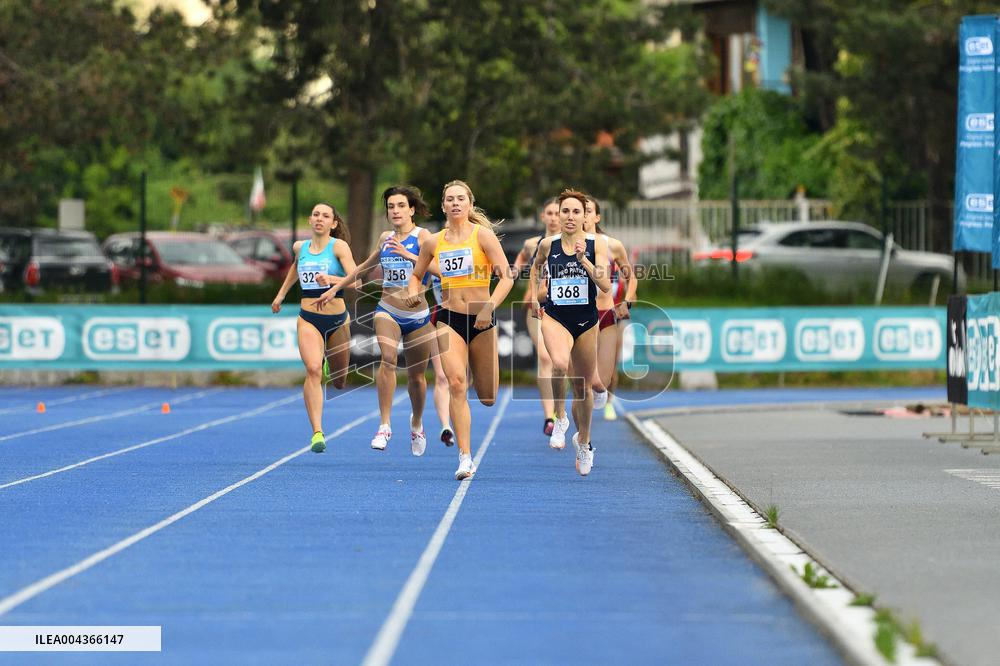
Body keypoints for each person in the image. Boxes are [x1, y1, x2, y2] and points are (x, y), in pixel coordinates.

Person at [406, 180, 515, 480]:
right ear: (443, 206)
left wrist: (489, 307)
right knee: (455, 383)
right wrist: (415, 291)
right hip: (449, 317)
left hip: (482, 319)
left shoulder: (483, 236)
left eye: (460, 199)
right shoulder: (433, 242)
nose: (455, 203)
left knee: (488, 396)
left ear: (469, 203)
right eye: (450, 199)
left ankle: (468, 445)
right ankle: (465, 457)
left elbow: (506, 277)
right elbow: (416, 275)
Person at [318, 186, 438, 456]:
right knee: (388, 359)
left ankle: (416, 423)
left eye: (399, 206)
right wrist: (335, 287)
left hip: (418, 315)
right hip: (387, 309)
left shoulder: (424, 237)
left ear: (411, 209)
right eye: (390, 207)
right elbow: (363, 270)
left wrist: (409, 256)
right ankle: (384, 425)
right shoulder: (385, 238)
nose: (394, 211)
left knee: (417, 378)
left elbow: (437, 270)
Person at [530, 189, 610, 475]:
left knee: (583, 387)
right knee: (560, 364)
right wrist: (533, 296)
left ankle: (585, 442)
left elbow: (605, 286)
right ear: (559, 214)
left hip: (586, 320)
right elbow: (536, 269)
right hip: (555, 316)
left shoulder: (596, 244)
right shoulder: (547, 245)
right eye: (566, 211)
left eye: (577, 212)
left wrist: (585, 262)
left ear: (586, 216)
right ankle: (560, 417)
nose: (571, 216)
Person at [271, 203, 357, 453]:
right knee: (312, 369)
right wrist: (280, 295)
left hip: (338, 319)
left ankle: (331, 365)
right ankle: (317, 432)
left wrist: (331, 280)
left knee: (339, 382)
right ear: (310, 220)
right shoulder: (300, 247)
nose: (320, 219)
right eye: (316, 214)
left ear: (334, 224)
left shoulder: (338, 247)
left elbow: (357, 281)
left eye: (326, 216)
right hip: (308, 317)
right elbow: (294, 269)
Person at [512, 198, 563, 437]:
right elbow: (522, 259)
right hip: (536, 306)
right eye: (549, 213)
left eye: (557, 213)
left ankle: (560, 410)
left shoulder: (571, 244)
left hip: (563, 307)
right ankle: (549, 417)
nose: (554, 217)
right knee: (544, 356)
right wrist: (514, 271)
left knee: (560, 362)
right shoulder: (532, 244)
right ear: (543, 216)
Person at [584, 196, 637, 420]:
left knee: (609, 364)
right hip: (580, 313)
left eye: (587, 211)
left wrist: (628, 300)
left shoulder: (612, 245)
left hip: (609, 311)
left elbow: (631, 277)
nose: (583, 215)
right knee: (580, 365)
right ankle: (573, 413)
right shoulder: (564, 245)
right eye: (579, 211)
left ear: (597, 216)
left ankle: (609, 400)